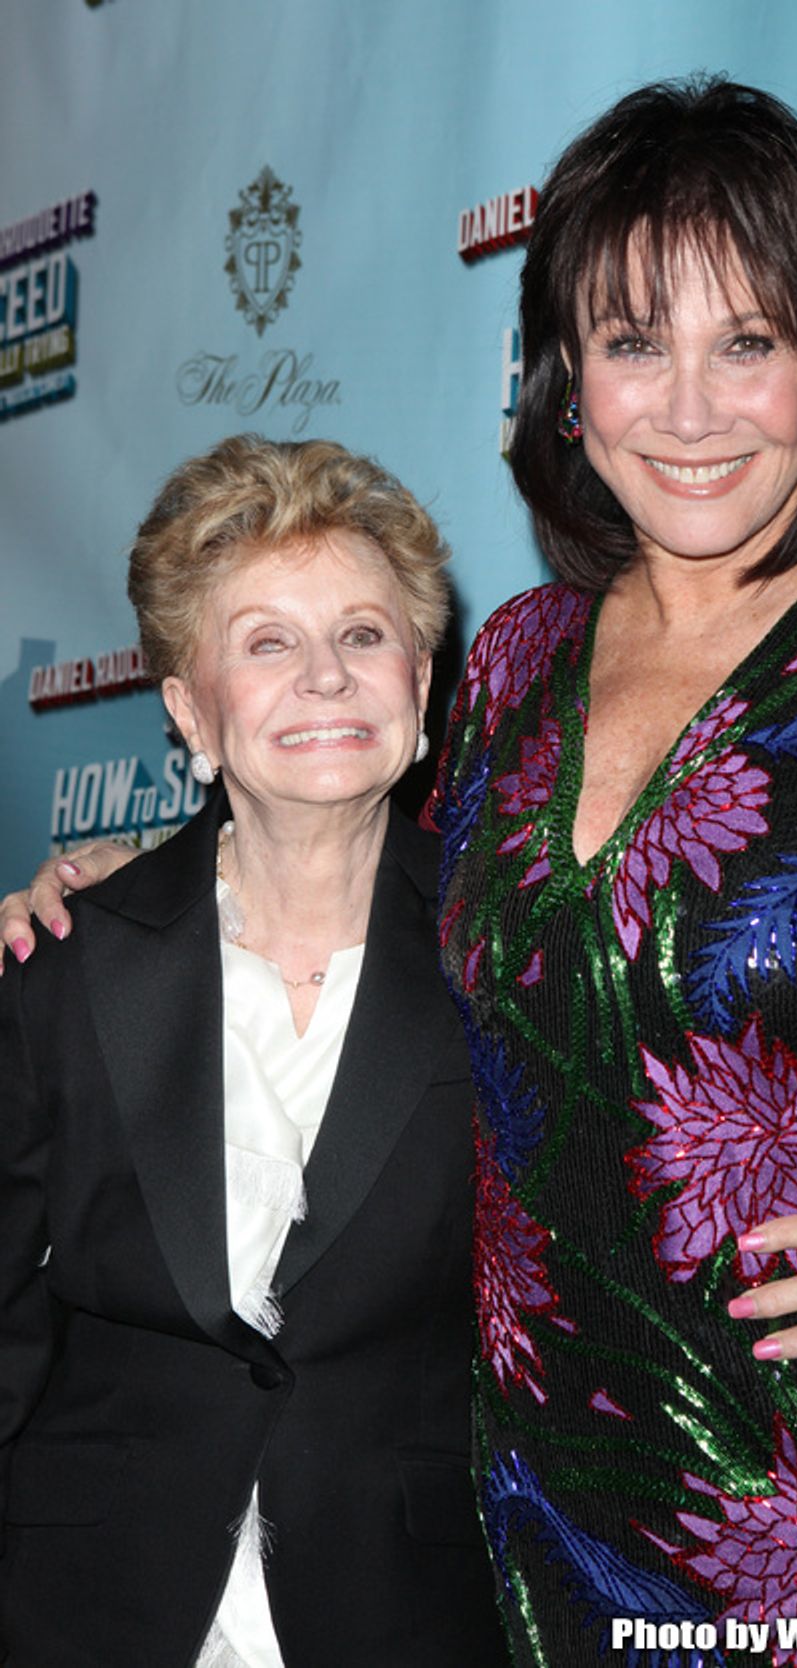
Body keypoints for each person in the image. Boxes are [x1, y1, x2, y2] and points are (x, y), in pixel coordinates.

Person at [6, 78, 797, 1668]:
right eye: (636, 345)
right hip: (500, 1546)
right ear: (567, 382)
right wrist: (122, 878)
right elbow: (352, 843)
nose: (690, 409)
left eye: (748, 343)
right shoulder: (514, 663)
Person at [0, 436, 506, 1666]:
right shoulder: (66, 958)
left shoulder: (515, 961)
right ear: (190, 708)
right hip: (84, 1607)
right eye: (267, 643)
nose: (325, 679)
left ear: (424, 687)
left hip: (406, 1613)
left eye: (364, 637)